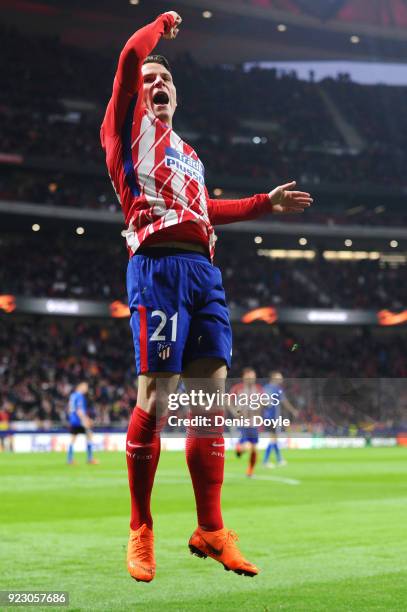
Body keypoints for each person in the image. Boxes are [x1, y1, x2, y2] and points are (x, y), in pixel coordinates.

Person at [100, 11, 312, 583]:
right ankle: (141, 528)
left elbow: (205, 210)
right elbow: (127, 60)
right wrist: (160, 26)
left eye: (163, 79)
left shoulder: (188, 154)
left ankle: (211, 529)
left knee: (209, 399)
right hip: (158, 267)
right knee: (158, 395)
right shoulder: (123, 130)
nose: (156, 84)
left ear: (178, 93)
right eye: (148, 81)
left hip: (204, 273)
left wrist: (262, 203)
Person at [230, 368, 264, 477]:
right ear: (244, 377)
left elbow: (265, 401)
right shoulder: (238, 388)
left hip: (254, 423)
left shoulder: (258, 389)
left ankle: (250, 470)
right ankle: (239, 447)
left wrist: (264, 403)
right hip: (242, 423)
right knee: (249, 445)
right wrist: (235, 411)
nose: (251, 379)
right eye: (248, 377)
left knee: (254, 449)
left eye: (252, 377)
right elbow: (228, 401)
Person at [263, 371, 298, 467]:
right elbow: (284, 401)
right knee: (273, 439)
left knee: (274, 439)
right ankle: (266, 461)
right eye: (279, 378)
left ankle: (279, 459)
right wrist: (293, 410)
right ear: (273, 378)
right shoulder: (278, 389)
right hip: (273, 417)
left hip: (266, 417)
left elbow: (262, 401)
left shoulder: (265, 388)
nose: (281, 380)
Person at [67, 382, 98, 465]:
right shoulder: (79, 396)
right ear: (80, 386)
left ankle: (70, 459)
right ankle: (90, 458)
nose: (86, 389)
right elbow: (79, 410)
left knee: (73, 439)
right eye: (85, 387)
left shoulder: (72, 396)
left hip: (73, 420)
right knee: (89, 435)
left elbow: (70, 409)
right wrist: (86, 420)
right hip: (79, 421)